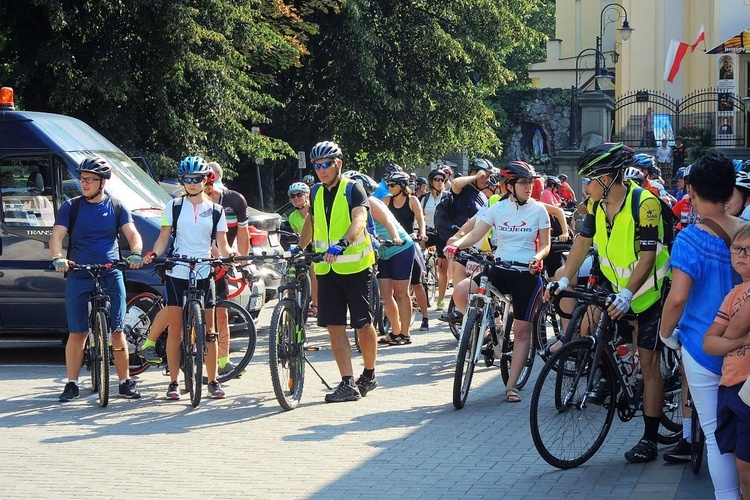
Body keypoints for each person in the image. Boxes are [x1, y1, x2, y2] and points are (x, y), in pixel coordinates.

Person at [547, 142, 670, 463]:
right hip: (613, 286)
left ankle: (649, 439)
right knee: (587, 327)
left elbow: (646, 257)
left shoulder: (645, 204)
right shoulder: (595, 205)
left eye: (588, 178)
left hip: (649, 294)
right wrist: (562, 280)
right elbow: (581, 244)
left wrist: (628, 293)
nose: (583, 185)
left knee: (649, 365)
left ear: (606, 178)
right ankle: (608, 375)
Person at [656, 155, 743, 497]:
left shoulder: (690, 239)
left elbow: (677, 299)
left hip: (702, 347)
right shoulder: (746, 232)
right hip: (744, 345)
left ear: (690, 190)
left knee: (715, 432)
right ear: (729, 190)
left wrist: (666, 335)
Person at [445, 160, 550, 403]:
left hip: (527, 273)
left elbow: (545, 244)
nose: (529, 187)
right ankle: (491, 328)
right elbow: (474, 234)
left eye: (530, 182)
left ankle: (511, 386)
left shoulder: (538, 210)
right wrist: (455, 245)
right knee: (462, 292)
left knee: (522, 331)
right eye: (523, 183)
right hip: (499, 269)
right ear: (509, 186)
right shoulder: (497, 209)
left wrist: (537, 257)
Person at [51, 157, 145, 402]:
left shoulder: (116, 206)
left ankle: (125, 381)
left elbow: (133, 234)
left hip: (110, 271)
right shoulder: (71, 206)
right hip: (78, 272)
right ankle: (71, 383)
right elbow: (56, 236)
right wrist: (57, 257)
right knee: (78, 332)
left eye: (89, 179)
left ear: (102, 182)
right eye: (82, 178)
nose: (84, 183)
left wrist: (135, 253)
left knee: (116, 331)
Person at [142, 156, 233, 400]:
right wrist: (154, 254)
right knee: (176, 330)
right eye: (187, 180)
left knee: (210, 330)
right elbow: (163, 238)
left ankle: (213, 381)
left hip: (204, 268)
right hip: (178, 269)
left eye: (197, 179)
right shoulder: (173, 206)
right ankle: (173, 382)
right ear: (182, 181)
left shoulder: (216, 210)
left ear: (205, 181)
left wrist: (231, 256)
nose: (192, 183)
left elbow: (222, 244)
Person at [297, 141, 378, 402]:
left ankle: (369, 373)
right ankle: (347, 383)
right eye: (317, 166)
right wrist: (298, 248)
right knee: (334, 326)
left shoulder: (353, 189)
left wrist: (343, 243)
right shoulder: (316, 192)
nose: (321, 170)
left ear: (338, 164)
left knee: (362, 324)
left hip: (355, 267)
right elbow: (312, 221)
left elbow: (359, 220)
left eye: (326, 165)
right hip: (326, 268)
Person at [703, 223, 750, 498]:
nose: (741, 255)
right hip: (731, 385)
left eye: (748, 250)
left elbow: (724, 335)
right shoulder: (733, 294)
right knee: (740, 462)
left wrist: (728, 338)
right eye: (736, 249)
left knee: (745, 464)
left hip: (747, 386)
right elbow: (710, 343)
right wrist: (740, 341)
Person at [383, 170, 430, 331]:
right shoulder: (387, 200)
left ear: (403, 185)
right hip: (391, 243)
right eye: (388, 184)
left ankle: (425, 317)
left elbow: (420, 220)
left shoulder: (412, 200)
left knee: (416, 282)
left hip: (408, 241)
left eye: (393, 184)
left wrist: (422, 233)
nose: (390, 187)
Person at [422, 168, 450, 310]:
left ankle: (440, 299)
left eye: (442, 180)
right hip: (427, 232)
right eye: (436, 180)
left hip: (442, 234)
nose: (440, 182)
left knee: (442, 268)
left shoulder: (447, 197)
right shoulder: (425, 198)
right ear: (431, 182)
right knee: (416, 250)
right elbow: (419, 216)